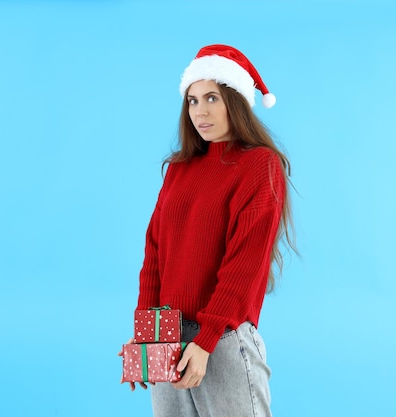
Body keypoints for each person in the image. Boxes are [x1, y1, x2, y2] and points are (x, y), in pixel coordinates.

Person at [121, 44, 294, 417]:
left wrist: (206, 339)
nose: (200, 111)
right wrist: (147, 333)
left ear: (236, 101)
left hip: (222, 340)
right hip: (168, 336)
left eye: (212, 97)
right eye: (193, 100)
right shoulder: (179, 170)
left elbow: (244, 264)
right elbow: (155, 252)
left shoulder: (259, 166)